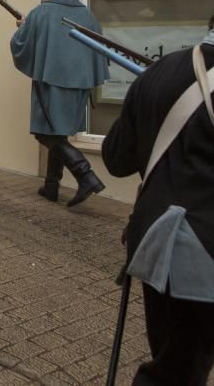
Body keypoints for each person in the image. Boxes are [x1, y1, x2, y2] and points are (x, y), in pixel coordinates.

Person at [102, 29, 214, 385]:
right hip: (202, 250)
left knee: (173, 366)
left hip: (158, 244)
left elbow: (117, 159)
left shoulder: (160, 72)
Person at [10, 0, 108, 207]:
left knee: (45, 132)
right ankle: (51, 186)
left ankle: (86, 176)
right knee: (59, 134)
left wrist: (23, 26)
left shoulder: (42, 12)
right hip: (80, 85)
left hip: (52, 82)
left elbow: (21, 43)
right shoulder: (89, 15)